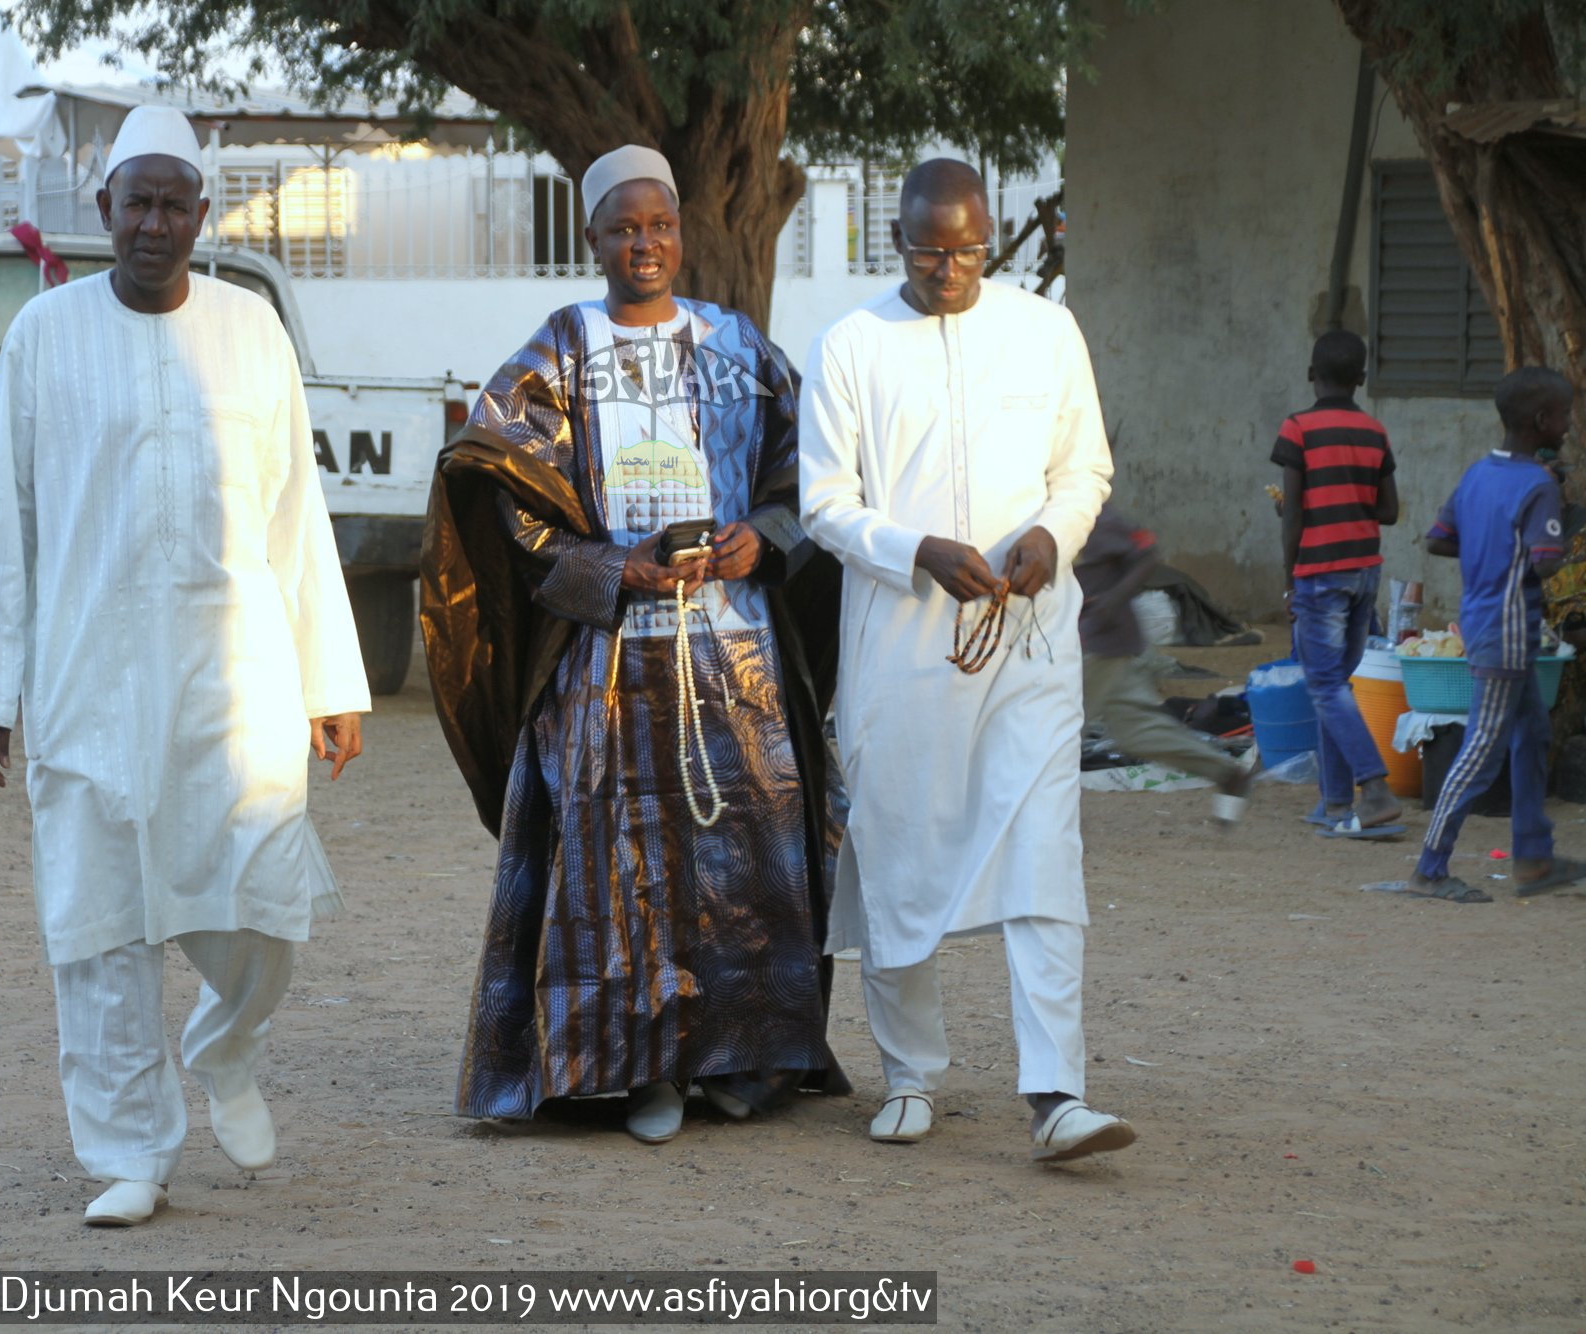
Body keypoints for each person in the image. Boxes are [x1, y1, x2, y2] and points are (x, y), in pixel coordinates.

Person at [0, 106, 370, 1227]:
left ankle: (225, 1042)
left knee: (267, 903)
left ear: (201, 215)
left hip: (236, 684)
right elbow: (2, 523)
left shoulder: (251, 330)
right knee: (102, 924)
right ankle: (130, 1150)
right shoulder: (45, 335)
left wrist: (329, 679)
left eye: (174, 203)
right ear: (104, 209)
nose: (154, 222)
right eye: (136, 200)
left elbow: (296, 515)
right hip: (88, 681)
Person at [423, 144, 848, 1145]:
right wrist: (613, 568)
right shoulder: (558, 353)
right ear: (593, 238)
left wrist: (764, 536)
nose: (643, 244)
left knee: (750, 858)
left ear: (680, 232)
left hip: (736, 662)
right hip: (609, 668)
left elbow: (811, 474)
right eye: (623, 228)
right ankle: (640, 1069)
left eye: (659, 225)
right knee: (620, 865)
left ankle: (742, 1060)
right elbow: (502, 498)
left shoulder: (739, 347)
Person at [799, 158, 1133, 1162]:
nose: (950, 270)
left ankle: (1056, 1094)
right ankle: (909, 1075)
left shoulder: (1046, 329)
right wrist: (916, 552)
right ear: (896, 242)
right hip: (900, 655)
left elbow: (1083, 469)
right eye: (929, 253)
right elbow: (823, 503)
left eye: (969, 251)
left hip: (1027, 646)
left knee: (1042, 853)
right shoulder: (850, 346)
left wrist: (1051, 537)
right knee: (899, 855)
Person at [1401, 367, 1583, 903]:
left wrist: (1489, 545)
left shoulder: (1478, 473)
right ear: (1541, 420)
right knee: (1482, 748)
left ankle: (1533, 858)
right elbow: (1545, 562)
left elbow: (1439, 540)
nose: (1569, 425)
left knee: (1533, 736)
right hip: (1507, 630)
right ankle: (1430, 868)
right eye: (1565, 415)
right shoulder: (1538, 485)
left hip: (1487, 620)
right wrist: (1557, 527)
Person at [1273, 330, 1402, 835]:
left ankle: (1375, 790)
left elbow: (1292, 515)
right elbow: (1389, 510)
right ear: (1361, 379)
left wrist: (1289, 581)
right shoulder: (1374, 431)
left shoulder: (1298, 428)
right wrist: (1350, 497)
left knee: (1325, 685)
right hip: (1365, 570)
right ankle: (1334, 802)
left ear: (1311, 374)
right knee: (1335, 686)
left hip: (1320, 573)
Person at [1077, 506, 1253, 822]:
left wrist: (1112, 601)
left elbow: (1146, 555)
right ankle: (1226, 773)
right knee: (1139, 731)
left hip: (1097, 644)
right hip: (1098, 642)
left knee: (1059, 734)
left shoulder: (1092, 515)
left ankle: (1039, 823)